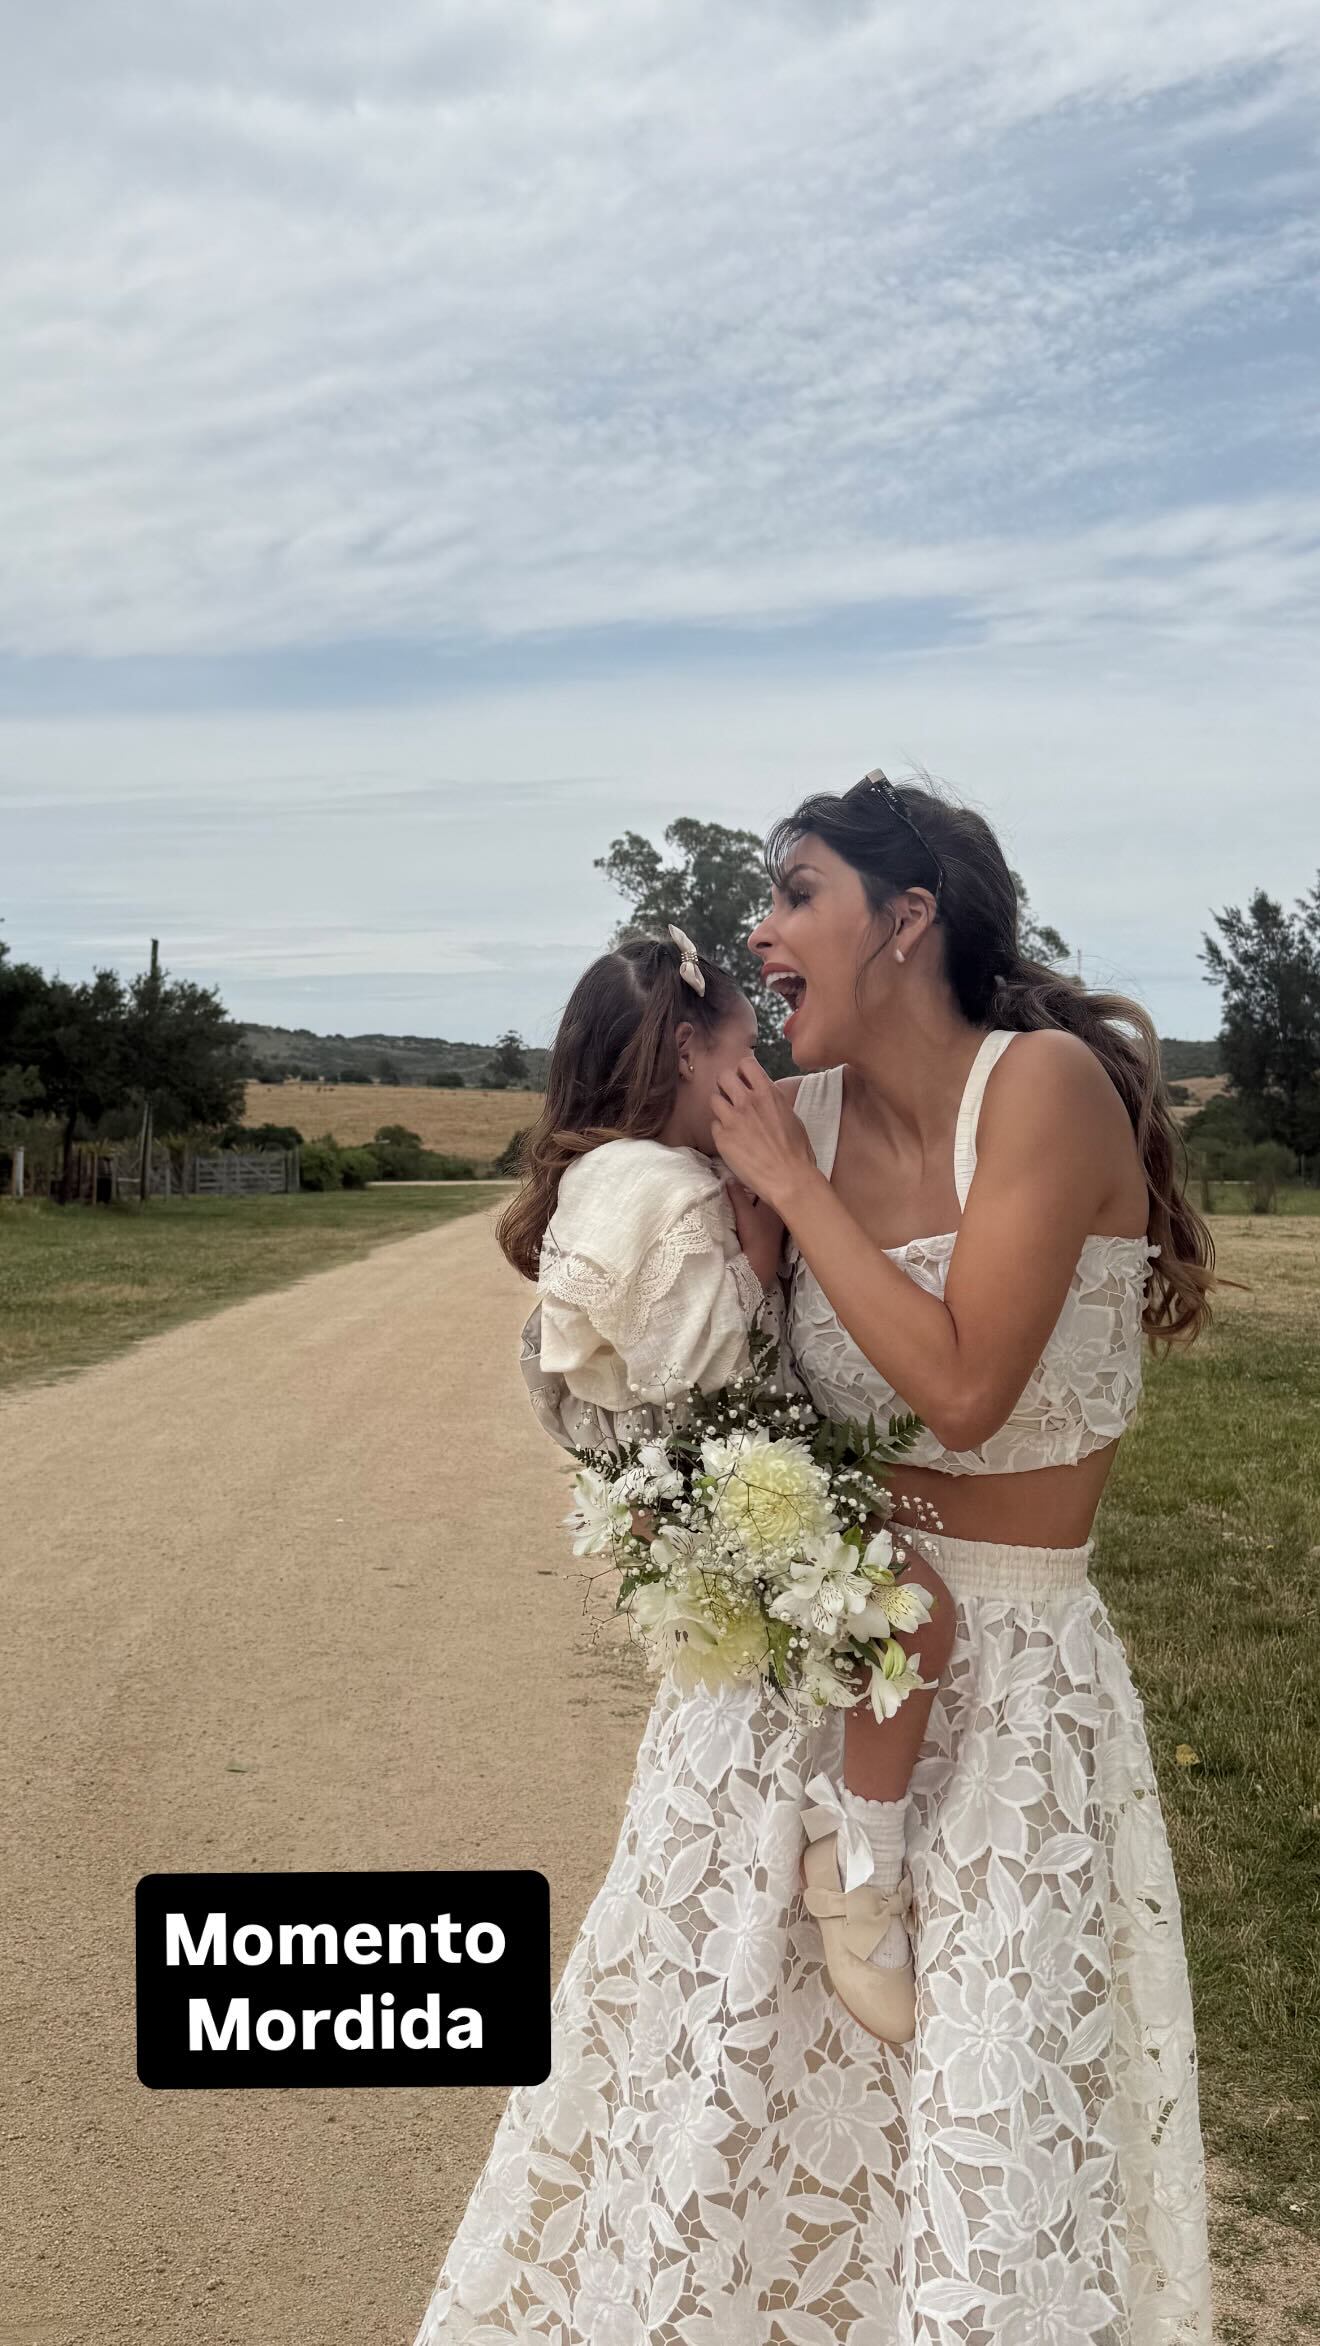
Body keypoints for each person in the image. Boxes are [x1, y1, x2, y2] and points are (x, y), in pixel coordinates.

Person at [412, 774, 1214, 2343]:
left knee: (978, 2136)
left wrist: (783, 1185)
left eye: (794, 893)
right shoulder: (797, 1117)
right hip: (791, 1693)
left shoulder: (1040, 1088)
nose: (762, 932)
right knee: (720, 2126)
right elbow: (674, 1320)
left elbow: (970, 1384)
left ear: (906, 920)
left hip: (1015, 1702)